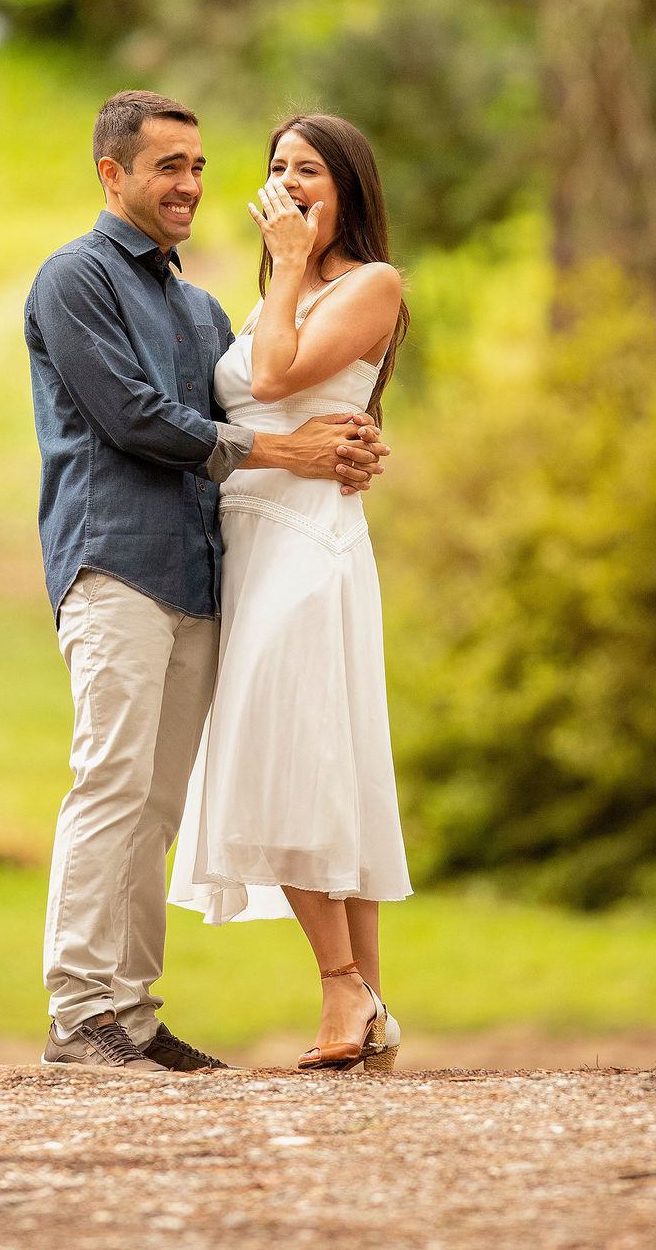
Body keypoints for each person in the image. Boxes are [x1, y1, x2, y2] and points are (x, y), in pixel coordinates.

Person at [23, 90, 390, 1075]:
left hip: (201, 574)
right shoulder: (75, 280)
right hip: (116, 562)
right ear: (113, 174)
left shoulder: (198, 307)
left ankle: (129, 1015)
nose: (189, 183)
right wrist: (293, 451)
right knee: (110, 782)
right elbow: (139, 421)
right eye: (165, 166)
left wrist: (343, 443)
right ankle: (81, 1014)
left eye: (197, 165)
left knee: (156, 805)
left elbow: (248, 416)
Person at [169, 113, 413, 1074]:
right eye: (275, 167)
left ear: (347, 184)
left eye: (307, 168)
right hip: (249, 538)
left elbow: (271, 375)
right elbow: (239, 412)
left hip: (310, 546)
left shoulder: (371, 285)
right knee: (320, 757)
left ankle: (341, 987)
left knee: (288, 750)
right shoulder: (277, 289)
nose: (288, 181)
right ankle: (368, 1009)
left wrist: (292, 261)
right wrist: (283, 273)